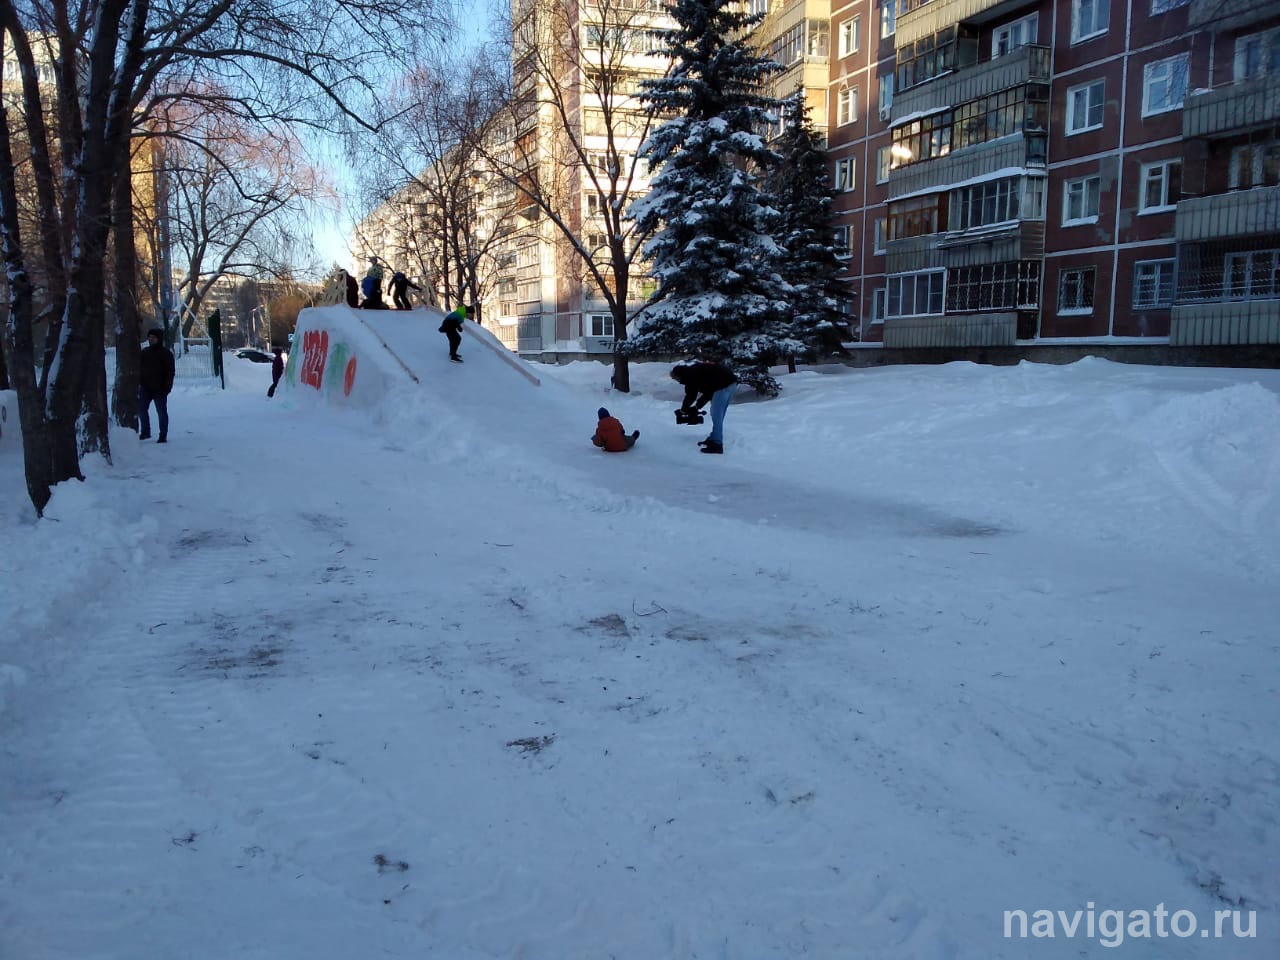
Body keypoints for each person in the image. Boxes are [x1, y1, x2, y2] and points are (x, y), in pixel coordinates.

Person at [670, 358, 737, 454]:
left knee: (716, 414)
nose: (677, 381)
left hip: (724, 384)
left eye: (676, 378)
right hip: (730, 382)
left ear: (680, 374)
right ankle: (714, 437)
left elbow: (691, 395)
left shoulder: (691, 374)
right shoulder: (696, 371)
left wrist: (683, 411)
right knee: (718, 414)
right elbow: (708, 392)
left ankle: (717, 444)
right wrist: (697, 407)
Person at [138, 327, 175, 443]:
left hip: (160, 388)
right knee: (141, 409)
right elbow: (139, 368)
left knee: (161, 412)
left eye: (153, 338)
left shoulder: (166, 354)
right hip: (145, 387)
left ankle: (163, 434)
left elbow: (170, 372)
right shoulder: (144, 352)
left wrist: (167, 387)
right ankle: (145, 432)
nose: (151, 339)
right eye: (149, 337)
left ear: (159, 339)